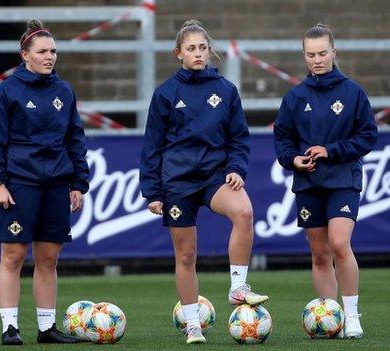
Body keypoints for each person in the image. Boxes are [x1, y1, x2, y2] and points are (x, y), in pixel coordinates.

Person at [139, 19, 269, 344]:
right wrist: (153, 192)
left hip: (214, 176)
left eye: (202, 47)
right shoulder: (166, 93)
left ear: (209, 51)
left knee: (244, 212)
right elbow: (152, 146)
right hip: (178, 181)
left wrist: (237, 168)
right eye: (191, 48)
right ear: (178, 53)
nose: (198, 53)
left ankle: (238, 287)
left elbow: (239, 137)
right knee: (186, 255)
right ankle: (193, 325)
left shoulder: (225, 90)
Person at [0, 19, 89, 345]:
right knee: (13, 256)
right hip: (19, 183)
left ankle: (46, 329)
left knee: (48, 259)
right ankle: (10, 327)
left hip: (57, 183)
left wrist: (78, 183)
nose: (50, 56)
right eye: (42, 51)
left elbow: (75, 139)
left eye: (53, 51)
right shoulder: (7, 91)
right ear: (25, 55)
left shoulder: (64, 91)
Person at [273, 23, 378, 339]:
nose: (317, 59)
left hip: (343, 178)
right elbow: (282, 139)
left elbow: (368, 136)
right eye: (310, 54)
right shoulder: (295, 97)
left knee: (339, 244)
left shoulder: (352, 92)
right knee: (319, 254)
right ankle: (330, 317)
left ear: (334, 52)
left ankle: (352, 315)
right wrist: (293, 159)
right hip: (308, 182)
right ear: (303, 56)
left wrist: (331, 151)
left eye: (322, 53)